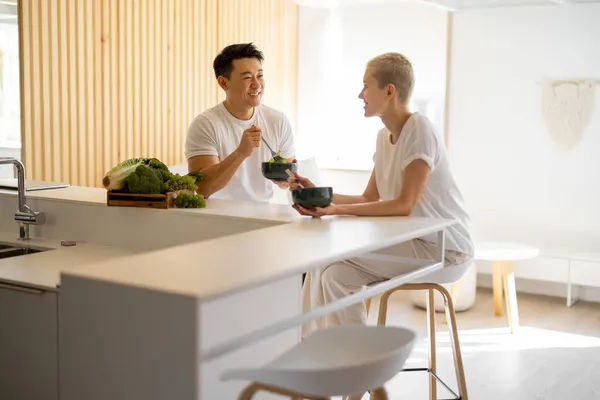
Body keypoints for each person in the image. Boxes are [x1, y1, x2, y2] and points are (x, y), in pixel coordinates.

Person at [289, 52, 474, 339]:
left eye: (366, 85)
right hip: (415, 243)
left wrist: (333, 211)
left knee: (328, 262)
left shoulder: (419, 128)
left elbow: (404, 205)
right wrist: (317, 194)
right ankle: (344, 364)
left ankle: (326, 357)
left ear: (389, 91)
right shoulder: (382, 137)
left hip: (444, 249)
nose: (360, 94)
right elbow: (368, 199)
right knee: (333, 274)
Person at [185, 43, 296, 202]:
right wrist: (241, 153)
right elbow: (202, 188)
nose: (257, 85)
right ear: (224, 83)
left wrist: (288, 180)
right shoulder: (205, 124)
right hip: (219, 218)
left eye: (259, 75)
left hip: (266, 215)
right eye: (247, 77)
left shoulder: (278, 121)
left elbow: (288, 180)